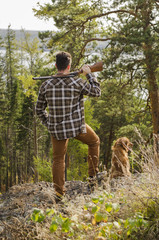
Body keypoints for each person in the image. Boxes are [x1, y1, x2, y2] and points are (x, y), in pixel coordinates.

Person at [36, 51, 101, 202]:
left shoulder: (46, 85)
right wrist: (89, 74)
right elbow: (97, 92)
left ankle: (59, 193)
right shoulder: (77, 82)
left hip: (57, 130)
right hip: (76, 127)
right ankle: (92, 178)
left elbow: (39, 110)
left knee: (58, 159)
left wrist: (49, 124)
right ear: (69, 66)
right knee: (94, 142)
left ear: (55, 65)